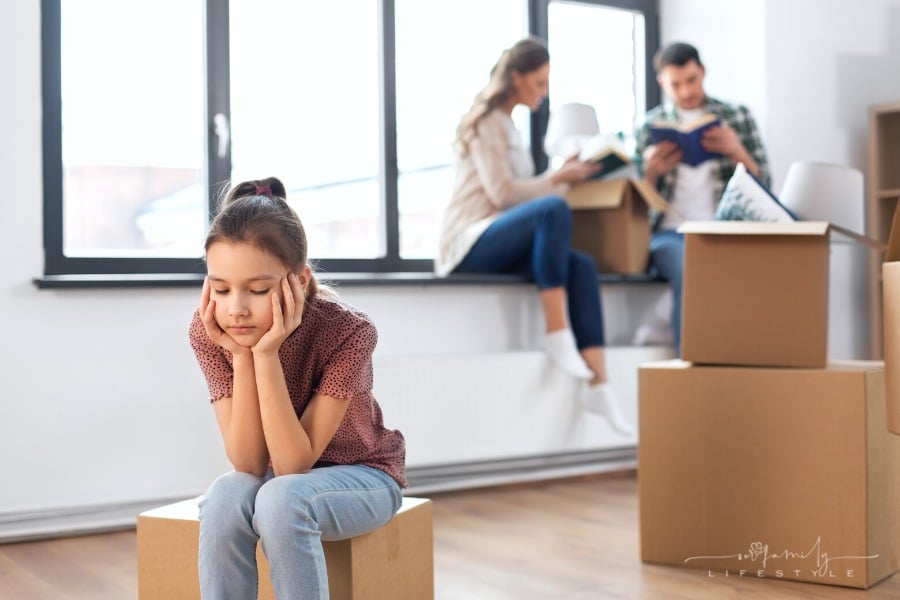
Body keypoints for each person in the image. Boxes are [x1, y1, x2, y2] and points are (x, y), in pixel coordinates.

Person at [188, 177, 406, 599]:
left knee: (282, 500)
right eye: (221, 289)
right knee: (224, 496)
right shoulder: (210, 332)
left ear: (299, 282)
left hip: (364, 475)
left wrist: (265, 355)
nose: (235, 308)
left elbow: (292, 465)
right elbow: (249, 463)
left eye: (257, 290)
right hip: (275, 480)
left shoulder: (348, 331)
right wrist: (241, 354)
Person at [435, 37, 633, 436]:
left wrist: (564, 174)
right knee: (553, 210)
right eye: (539, 83)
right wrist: (555, 179)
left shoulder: (509, 125)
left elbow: (525, 197)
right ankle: (557, 334)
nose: (544, 93)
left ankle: (599, 384)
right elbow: (503, 194)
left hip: (497, 236)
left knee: (581, 264)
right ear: (516, 77)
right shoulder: (488, 122)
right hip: (467, 242)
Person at [634, 41, 771, 353]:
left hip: (724, 229)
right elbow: (635, 207)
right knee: (686, 265)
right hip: (669, 234)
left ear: (703, 72)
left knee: (753, 271)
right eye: (675, 84)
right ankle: (691, 362)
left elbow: (765, 187)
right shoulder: (648, 128)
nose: (685, 92)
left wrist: (737, 151)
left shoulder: (737, 117)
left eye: (691, 80)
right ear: (662, 83)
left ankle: (741, 361)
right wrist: (651, 172)